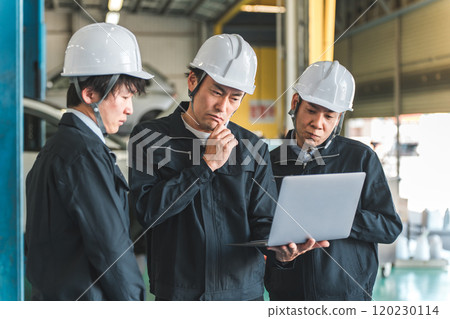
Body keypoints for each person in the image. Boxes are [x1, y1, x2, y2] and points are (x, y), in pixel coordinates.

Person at [128, 34, 326, 301]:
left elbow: (264, 219)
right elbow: (148, 213)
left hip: (242, 293)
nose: (223, 106)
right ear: (192, 82)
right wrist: (206, 165)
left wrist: (281, 248)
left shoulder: (252, 146)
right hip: (180, 293)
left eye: (235, 98)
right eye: (216, 92)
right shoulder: (150, 137)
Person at [25, 23, 152, 300]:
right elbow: (111, 249)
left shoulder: (56, 148)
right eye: (125, 96)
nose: (129, 109)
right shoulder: (84, 154)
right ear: (90, 94)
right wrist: (134, 302)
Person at [264, 61, 403, 301]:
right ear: (295, 104)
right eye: (311, 110)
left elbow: (389, 227)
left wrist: (338, 218)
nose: (318, 123)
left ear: (338, 119)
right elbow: (260, 229)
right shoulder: (269, 163)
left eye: (329, 116)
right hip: (289, 297)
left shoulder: (359, 158)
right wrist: (281, 259)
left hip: (347, 297)